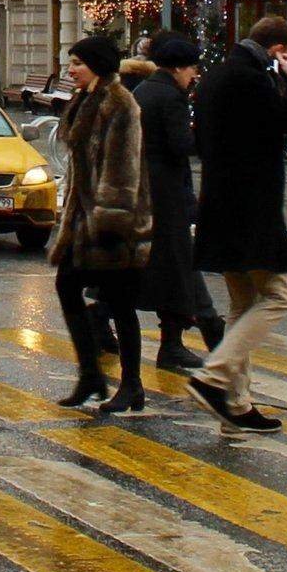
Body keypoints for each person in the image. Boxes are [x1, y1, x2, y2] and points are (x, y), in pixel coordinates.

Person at [187, 16, 287, 434]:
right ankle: (214, 375)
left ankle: (236, 406)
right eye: (286, 56)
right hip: (251, 209)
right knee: (279, 296)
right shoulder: (252, 80)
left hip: (218, 203)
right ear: (278, 50)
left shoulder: (215, 77)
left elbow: (200, 142)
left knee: (242, 304)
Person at [51, 34, 152, 414]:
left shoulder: (119, 102)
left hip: (113, 222)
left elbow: (123, 168)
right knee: (69, 288)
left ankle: (131, 385)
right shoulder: (86, 99)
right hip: (85, 220)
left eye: (77, 62)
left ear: (96, 64)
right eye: (70, 62)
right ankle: (91, 374)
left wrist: (110, 219)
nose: (71, 69)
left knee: (120, 304)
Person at [130, 31, 210, 370]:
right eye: (192, 68)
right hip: (168, 194)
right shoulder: (172, 97)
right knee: (175, 268)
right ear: (178, 68)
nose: (194, 75)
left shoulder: (143, 90)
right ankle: (171, 345)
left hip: (143, 190)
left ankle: (102, 314)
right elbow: (181, 145)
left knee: (149, 266)